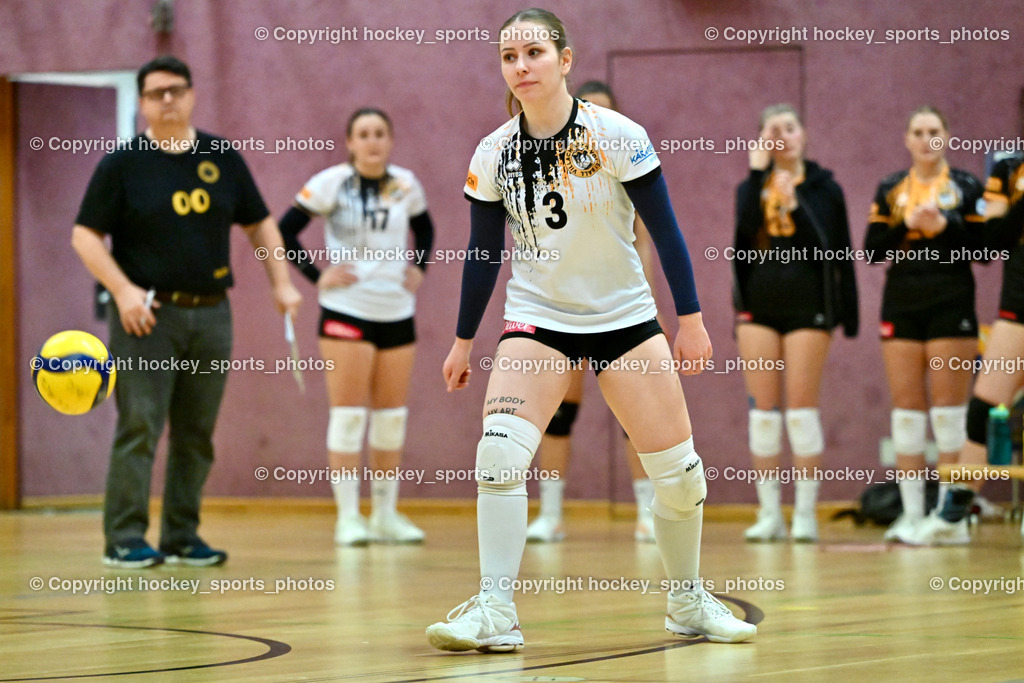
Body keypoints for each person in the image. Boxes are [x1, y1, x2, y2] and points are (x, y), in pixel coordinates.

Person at [425, 9, 756, 652]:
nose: (520, 66)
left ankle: (687, 601)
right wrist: (464, 340)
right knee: (497, 459)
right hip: (536, 324)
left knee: (681, 477)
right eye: (508, 56)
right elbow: (482, 253)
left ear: (566, 59)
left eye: (534, 53)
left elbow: (666, 231)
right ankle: (495, 609)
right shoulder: (492, 153)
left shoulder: (618, 135)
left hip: (625, 321)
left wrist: (690, 320)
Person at [71, 55, 302, 568]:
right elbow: (83, 235)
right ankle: (125, 537)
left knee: (196, 432)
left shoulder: (222, 156)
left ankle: (181, 534)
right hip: (147, 317)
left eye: (176, 89)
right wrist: (123, 290)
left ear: (192, 93)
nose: (168, 100)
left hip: (213, 314)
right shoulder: (122, 164)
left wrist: (281, 283)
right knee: (140, 425)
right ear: (144, 102)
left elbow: (261, 225)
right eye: (156, 93)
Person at [278, 108, 434, 546]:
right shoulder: (330, 183)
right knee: (348, 416)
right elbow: (284, 231)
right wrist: (316, 276)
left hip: (396, 311)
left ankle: (385, 513)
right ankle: (348, 517)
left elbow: (425, 228)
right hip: (346, 310)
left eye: (380, 133)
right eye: (363, 134)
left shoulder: (405, 184)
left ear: (390, 140)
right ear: (349, 141)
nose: (372, 141)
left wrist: (418, 268)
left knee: (391, 419)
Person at [526, 80, 660, 544]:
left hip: (617, 306)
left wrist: (645, 300)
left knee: (634, 413)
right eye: (590, 111)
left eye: (607, 112)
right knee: (559, 411)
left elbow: (646, 240)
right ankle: (551, 512)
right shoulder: (546, 166)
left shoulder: (628, 164)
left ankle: (647, 511)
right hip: (561, 307)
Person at [734, 104, 858, 543]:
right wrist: (755, 174)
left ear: (804, 135)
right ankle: (770, 513)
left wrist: (795, 205)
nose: (782, 135)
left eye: (790, 127)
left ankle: (805, 512)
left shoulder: (825, 189)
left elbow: (832, 250)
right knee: (763, 416)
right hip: (759, 307)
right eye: (772, 130)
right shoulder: (752, 186)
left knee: (801, 411)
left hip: (809, 308)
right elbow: (744, 233)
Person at [863, 106, 984, 543]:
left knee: (949, 415)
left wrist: (944, 226)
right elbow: (873, 248)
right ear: (907, 139)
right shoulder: (891, 187)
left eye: (934, 130)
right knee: (907, 415)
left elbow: (986, 248)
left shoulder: (968, 186)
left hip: (951, 300)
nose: (926, 138)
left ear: (947, 136)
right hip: (902, 300)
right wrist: (906, 224)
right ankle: (912, 514)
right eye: (918, 131)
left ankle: (951, 518)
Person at [905, 150, 1024, 545]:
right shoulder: (1009, 168)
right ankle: (954, 513)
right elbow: (993, 240)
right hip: (1018, 305)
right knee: (985, 408)